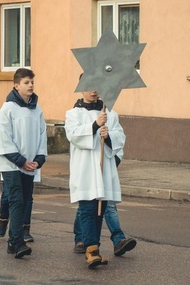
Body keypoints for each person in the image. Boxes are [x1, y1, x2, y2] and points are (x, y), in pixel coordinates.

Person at [65, 86, 125, 268]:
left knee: (100, 209)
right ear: (81, 90)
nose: (93, 92)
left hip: (103, 169)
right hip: (84, 169)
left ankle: (95, 248)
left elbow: (120, 136)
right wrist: (94, 126)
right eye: (89, 88)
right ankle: (90, 250)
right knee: (87, 208)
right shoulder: (73, 113)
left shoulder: (110, 113)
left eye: (97, 88)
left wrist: (109, 136)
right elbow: (73, 135)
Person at [0, 68, 47, 259]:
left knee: (24, 200)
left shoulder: (36, 109)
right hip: (11, 163)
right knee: (15, 199)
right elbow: (2, 137)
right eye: (26, 82)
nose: (30, 85)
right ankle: (18, 242)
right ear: (16, 85)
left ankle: (12, 242)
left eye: (32, 82)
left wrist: (39, 159)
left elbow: (42, 135)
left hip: (29, 163)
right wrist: (20, 161)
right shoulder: (8, 108)